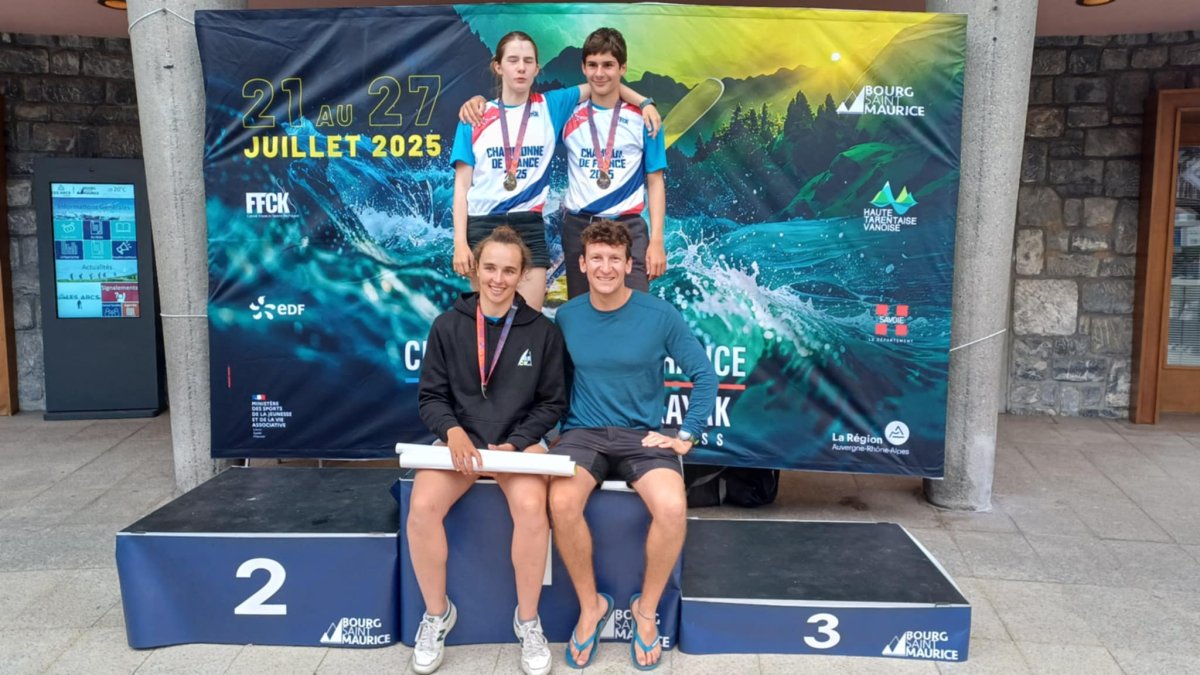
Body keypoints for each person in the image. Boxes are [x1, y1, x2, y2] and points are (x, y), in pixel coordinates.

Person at [549, 220, 717, 670]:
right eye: (596, 259)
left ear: (629, 265)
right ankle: (591, 607)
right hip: (583, 433)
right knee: (561, 503)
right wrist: (548, 437)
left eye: (614, 259)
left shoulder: (659, 315)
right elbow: (554, 385)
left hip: (642, 437)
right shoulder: (567, 316)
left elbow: (704, 375)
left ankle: (646, 611)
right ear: (582, 265)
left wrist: (686, 434)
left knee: (672, 507)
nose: (605, 267)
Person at [409, 226, 567, 675]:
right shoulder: (447, 325)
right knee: (421, 508)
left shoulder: (543, 332)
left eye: (509, 271)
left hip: (517, 447)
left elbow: (552, 403)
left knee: (532, 510)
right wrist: (452, 432)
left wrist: (517, 442)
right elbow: (431, 397)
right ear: (476, 270)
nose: (498, 279)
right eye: (491, 268)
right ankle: (437, 615)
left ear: (522, 275)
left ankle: (528, 621)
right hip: (461, 445)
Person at [451, 31, 659, 311]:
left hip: (529, 224)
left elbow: (601, 85)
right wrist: (459, 243)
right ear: (498, 66)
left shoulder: (552, 106)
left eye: (528, 61)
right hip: (482, 224)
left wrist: (644, 102)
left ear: (537, 68)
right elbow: (461, 188)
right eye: (513, 60)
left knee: (529, 320)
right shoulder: (474, 117)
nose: (521, 67)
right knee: (489, 317)